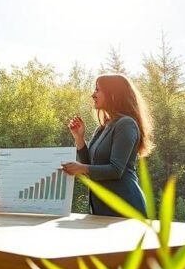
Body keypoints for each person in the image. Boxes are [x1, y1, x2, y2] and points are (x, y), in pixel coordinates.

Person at [61, 73, 153, 217]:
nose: (93, 95)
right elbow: (90, 166)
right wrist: (79, 139)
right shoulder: (103, 127)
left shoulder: (126, 124)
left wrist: (81, 168)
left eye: (98, 90)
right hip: (102, 208)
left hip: (125, 208)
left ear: (113, 94)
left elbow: (116, 170)